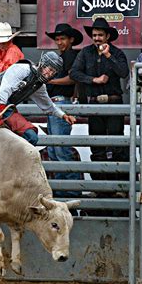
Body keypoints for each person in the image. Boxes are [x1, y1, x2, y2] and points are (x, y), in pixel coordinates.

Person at [70, 18, 129, 184]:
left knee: (117, 146)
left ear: (107, 36)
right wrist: (93, 80)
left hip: (114, 103)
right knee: (97, 148)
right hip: (94, 104)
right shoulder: (85, 52)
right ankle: (100, 187)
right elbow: (74, 72)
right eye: (94, 35)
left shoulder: (116, 53)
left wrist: (108, 55)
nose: (96, 38)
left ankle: (119, 188)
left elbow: (124, 73)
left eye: (100, 35)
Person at [45, 23, 83, 198]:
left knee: (60, 150)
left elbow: (72, 78)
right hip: (55, 103)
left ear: (71, 40)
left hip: (61, 102)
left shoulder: (71, 55)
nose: (59, 42)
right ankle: (64, 191)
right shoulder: (65, 55)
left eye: (63, 39)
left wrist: (50, 82)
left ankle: (70, 192)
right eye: (57, 39)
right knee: (55, 150)